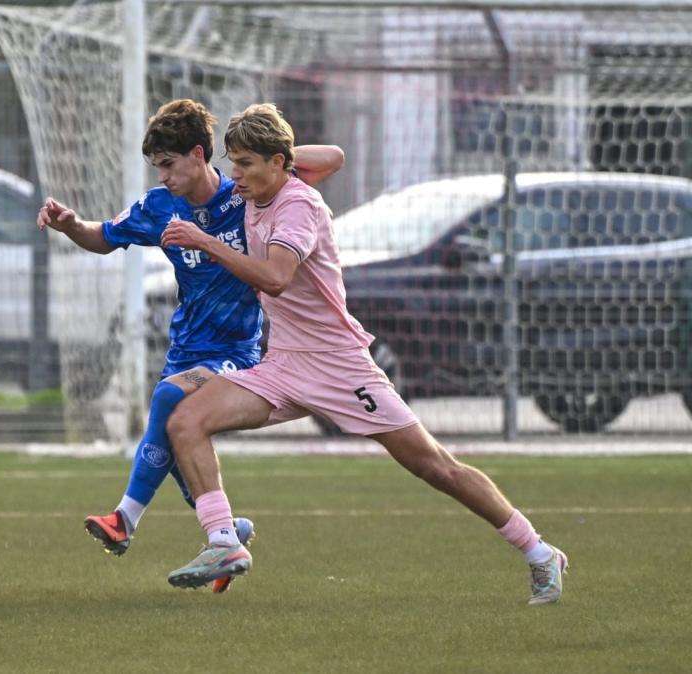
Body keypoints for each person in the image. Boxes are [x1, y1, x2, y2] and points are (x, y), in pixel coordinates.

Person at [159, 103, 568, 606]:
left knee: (435, 467)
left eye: (244, 163)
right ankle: (223, 542)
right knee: (185, 421)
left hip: (338, 365)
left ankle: (540, 552)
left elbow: (276, 279)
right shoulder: (258, 184)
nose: (233, 175)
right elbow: (332, 155)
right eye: (232, 161)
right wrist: (263, 150)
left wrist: (205, 240)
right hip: (284, 362)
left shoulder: (298, 205)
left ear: (278, 163)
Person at [36, 99, 343, 593]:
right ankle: (229, 530)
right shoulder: (160, 206)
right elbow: (105, 236)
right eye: (157, 167)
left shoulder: (243, 191)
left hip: (237, 349)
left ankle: (125, 520)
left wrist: (272, 155)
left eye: (169, 164)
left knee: (166, 402)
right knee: (178, 439)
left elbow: (332, 157)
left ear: (199, 155)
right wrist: (71, 224)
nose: (163, 176)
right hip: (186, 346)